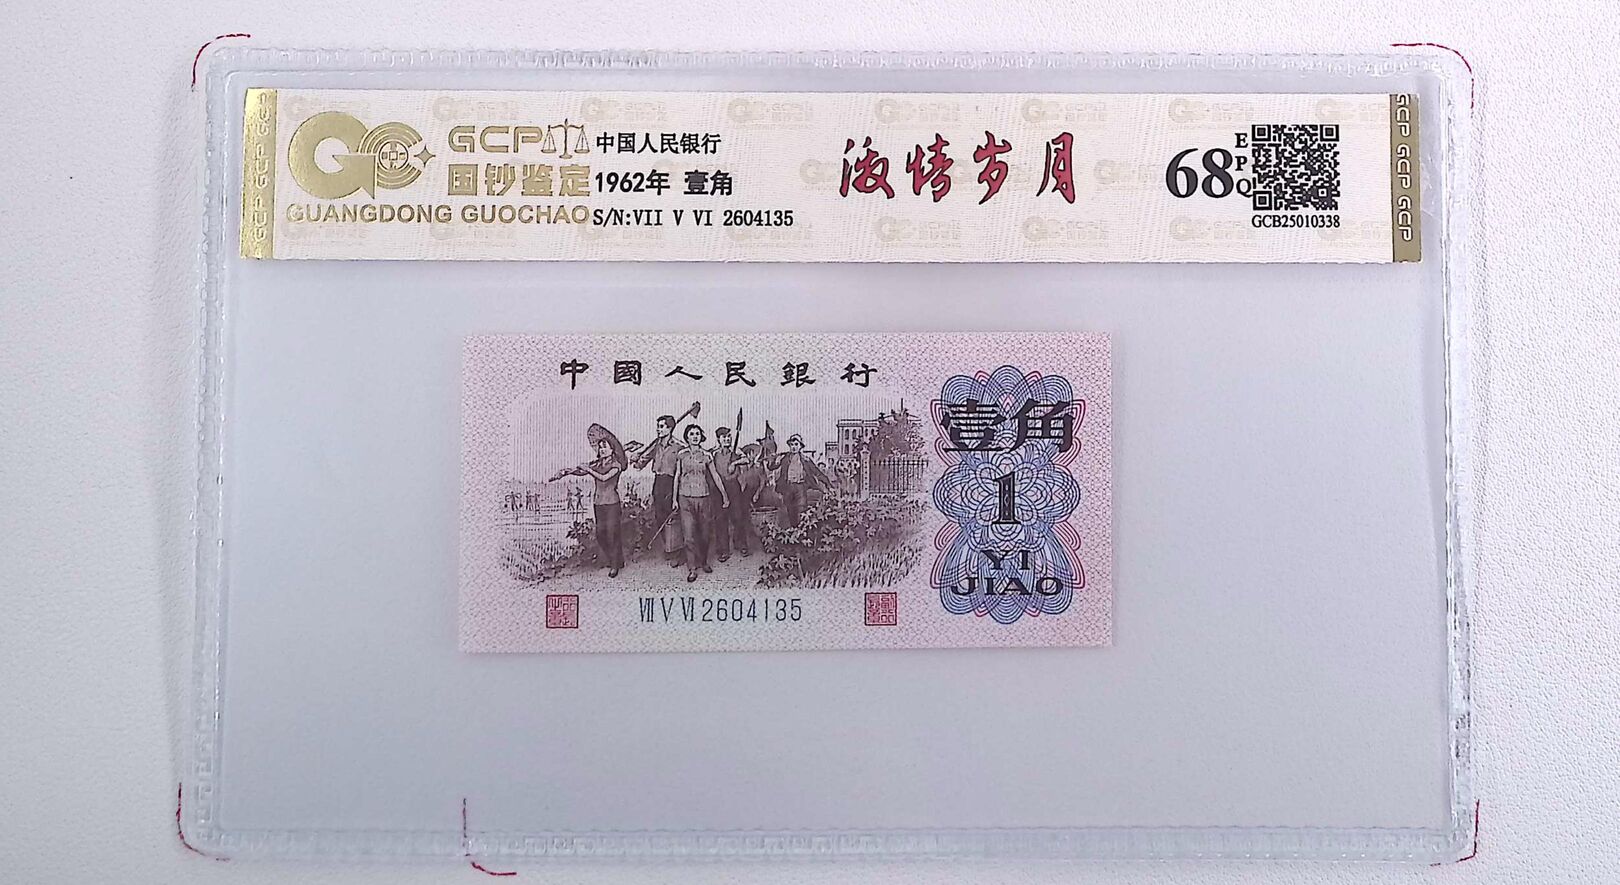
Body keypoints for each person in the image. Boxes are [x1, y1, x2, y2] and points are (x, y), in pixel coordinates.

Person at [550, 424, 627, 577]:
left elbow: (604, 477)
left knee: (612, 534)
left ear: (612, 449)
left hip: (612, 504)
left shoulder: (616, 464)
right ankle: (616, 559)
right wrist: (565, 472)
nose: (602, 450)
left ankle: (615, 565)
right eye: (600, 447)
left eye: (605, 447)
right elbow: (580, 471)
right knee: (600, 534)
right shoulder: (597, 464)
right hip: (598, 504)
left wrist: (589, 470)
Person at [673, 424, 730, 582]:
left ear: (701, 436)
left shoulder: (707, 456)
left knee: (705, 534)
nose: (695, 436)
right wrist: (674, 499)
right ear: (687, 437)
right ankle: (692, 568)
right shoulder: (681, 455)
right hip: (685, 498)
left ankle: (704, 561)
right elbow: (677, 476)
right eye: (691, 434)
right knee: (689, 535)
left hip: (704, 498)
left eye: (697, 434)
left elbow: (716, 476)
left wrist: (724, 495)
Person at [630, 414, 684, 568]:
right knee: (659, 517)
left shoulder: (679, 447)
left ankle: (678, 552)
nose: (658, 429)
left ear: (670, 428)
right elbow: (641, 462)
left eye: (661, 426)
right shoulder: (656, 445)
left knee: (673, 518)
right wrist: (635, 459)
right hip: (658, 482)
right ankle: (668, 547)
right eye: (658, 426)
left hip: (672, 482)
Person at [710, 425, 751, 560]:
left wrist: (735, 463)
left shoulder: (736, 451)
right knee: (720, 518)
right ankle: (723, 550)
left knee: (738, 516)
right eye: (724, 437)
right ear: (718, 439)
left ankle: (741, 544)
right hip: (718, 488)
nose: (727, 439)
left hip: (734, 487)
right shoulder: (714, 453)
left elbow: (747, 459)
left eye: (729, 437)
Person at [773, 434, 831, 529]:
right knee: (790, 511)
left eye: (796, 444)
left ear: (800, 446)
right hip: (788, 488)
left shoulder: (805, 459)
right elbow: (771, 467)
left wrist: (828, 484)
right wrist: (775, 461)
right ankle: (793, 531)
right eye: (792, 445)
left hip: (800, 488)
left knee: (802, 510)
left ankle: (802, 532)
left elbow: (817, 472)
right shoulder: (784, 458)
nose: (794, 447)